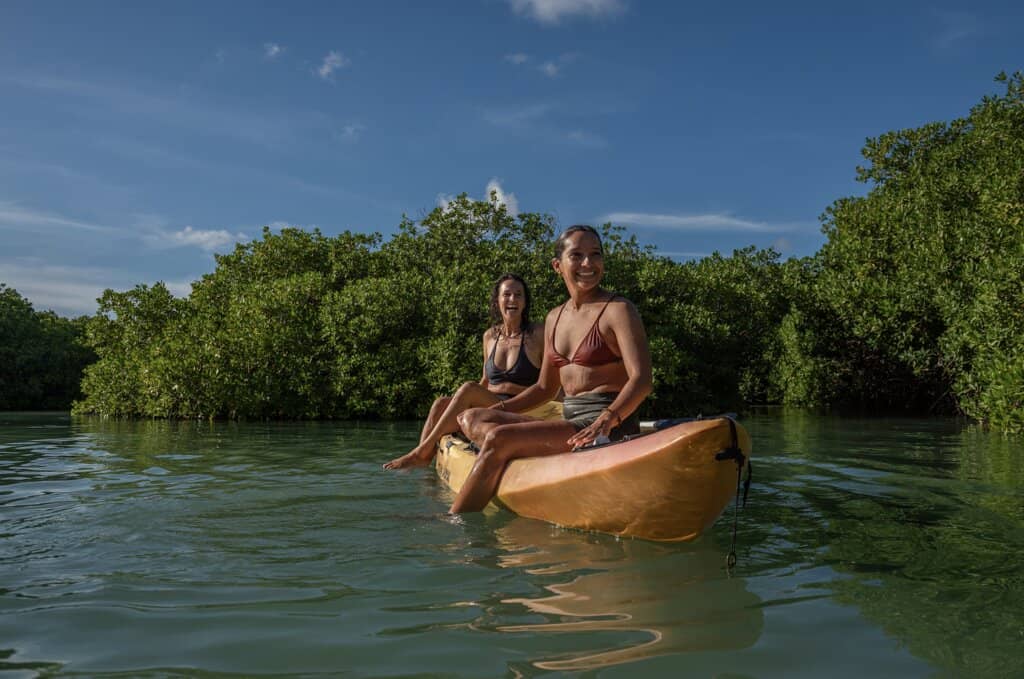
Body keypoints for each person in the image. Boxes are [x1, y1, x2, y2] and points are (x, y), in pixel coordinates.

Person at [450, 225, 652, 513]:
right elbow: (545, 389)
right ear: (557, 265)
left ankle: (454, 522)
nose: (588, 264)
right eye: (577, 255)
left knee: (497, 437)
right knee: (471, 418)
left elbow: (642, 380)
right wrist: (500, 409)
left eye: (595, 254)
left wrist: (608, 419)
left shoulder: (619, 310)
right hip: (569, 425)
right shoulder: (554, 318)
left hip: (609, 426)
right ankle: (524, 461)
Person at [383, 273, 544, 470]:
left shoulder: (537, 334)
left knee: (468, 388)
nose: (512, 300)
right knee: (440, 403)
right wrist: (471, 398)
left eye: (518, 295)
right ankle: (425, 459)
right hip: (493, 402)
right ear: (497, 301)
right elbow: (485, 380)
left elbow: (548, 386)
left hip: (522, 406)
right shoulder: (489, 336)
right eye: (507, 294)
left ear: (525, 302)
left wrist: (506, 386)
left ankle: (421, 452)